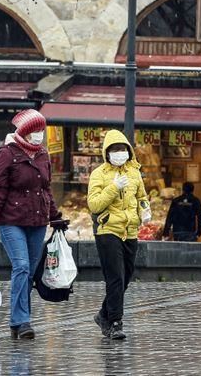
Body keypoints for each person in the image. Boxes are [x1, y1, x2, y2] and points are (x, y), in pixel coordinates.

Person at [0, 109, 64, 340]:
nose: (40, 135)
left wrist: (55, 216)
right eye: (36, 131)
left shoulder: (43, 155)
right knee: (22, 267)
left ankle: (18, 321)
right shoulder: (7, 153)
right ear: (25, 132)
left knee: (28, 273)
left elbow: (46, 189)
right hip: (12, 221)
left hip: (37, 221)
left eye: (41, 131)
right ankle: (21, 320)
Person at [87, 129, 150, 340]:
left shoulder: (134, 173)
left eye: (122, 149)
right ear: (107, 153)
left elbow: (142, 196)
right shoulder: (99, 174)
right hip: (108, 230)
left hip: (130, 230)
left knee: (126, 277)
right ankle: (115, 322)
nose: (119, 153)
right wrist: (113, 187)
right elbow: (94, 204)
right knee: (115, 277)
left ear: (129, 151)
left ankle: (103, 314)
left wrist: (145, 209)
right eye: (114, 150)